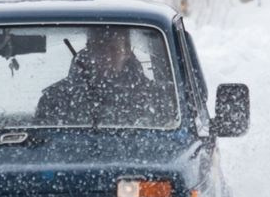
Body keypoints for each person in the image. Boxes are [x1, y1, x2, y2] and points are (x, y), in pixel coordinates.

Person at [35, 26, 174, 126]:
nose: (106, 56)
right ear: (88, 49)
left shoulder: (154, 98)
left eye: (113, 49)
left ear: (126, 51)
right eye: (99, 48)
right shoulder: (55, 100)